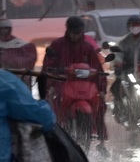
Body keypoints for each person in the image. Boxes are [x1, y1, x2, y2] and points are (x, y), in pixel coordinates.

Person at [42, 16, 108, 152]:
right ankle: (54, 133)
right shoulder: (57, 46)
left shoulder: (88, 47)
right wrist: (50, 83)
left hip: (86, 85)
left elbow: (97, 68)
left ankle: (101, 138)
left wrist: (102, 88)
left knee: (100, 105)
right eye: (74, 33)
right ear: (68, 31)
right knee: (53, 105)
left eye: (79, 33)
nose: (76, 36)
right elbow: (48, 66)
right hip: (63, 83)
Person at [109, 14, 140, 120]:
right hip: (128, 71)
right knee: (117, 87)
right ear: (129, 27)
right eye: (133, 25)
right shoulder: (124, 42)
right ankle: (121, 109)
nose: (135, 27)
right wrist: (118, 62)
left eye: (138, 25)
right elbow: (118, 54)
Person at [0, 17, 38, 86]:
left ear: (9, 29)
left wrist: (4, 55)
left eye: (6, 28)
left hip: (15, 77)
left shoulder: (21, 45)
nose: (3, 31)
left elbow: (28, 62)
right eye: (1, 29)